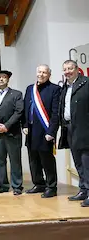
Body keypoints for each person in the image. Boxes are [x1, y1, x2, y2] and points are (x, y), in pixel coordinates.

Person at [23, 64, 60, 198]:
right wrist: (25, 125)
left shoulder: (55, 89)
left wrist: (52, 132)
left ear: (49, 75)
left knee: (47, 160)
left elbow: (56, 113)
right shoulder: (29, 89)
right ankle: (39, 183)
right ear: (36, 73)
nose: (41, 74)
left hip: (45, 130)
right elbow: (26, 109)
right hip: (31, 130)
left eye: (45, 72)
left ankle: (51, 186)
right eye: (39, 72)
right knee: (33, 159)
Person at [0, 70, 24, 195]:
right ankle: (3, 185)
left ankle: (17, 186)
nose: (1, 79)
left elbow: (19, 112)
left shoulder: (16, 94)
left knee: (15, 160)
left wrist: (6, 125)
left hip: (12, 132)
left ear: (8, 80)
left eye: (4, 77)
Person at [58, 60, 89, 207]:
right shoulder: (66, 87)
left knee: (86, 162)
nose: (67, 72)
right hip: (69, 128)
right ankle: (83, 190)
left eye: (70, 68)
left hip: (84, 129)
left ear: (77, 69)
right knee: (78, 162)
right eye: (65, 69)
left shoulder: (86, 83)